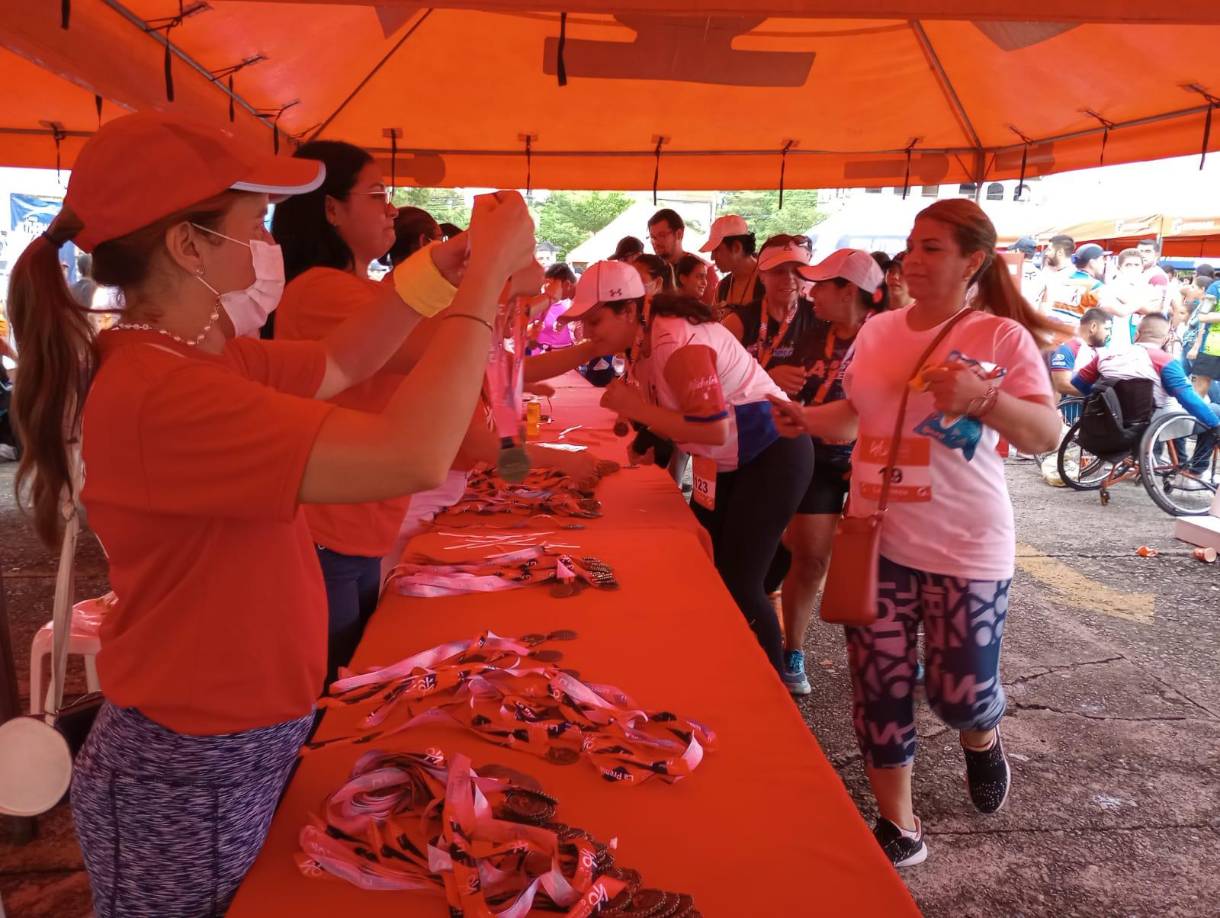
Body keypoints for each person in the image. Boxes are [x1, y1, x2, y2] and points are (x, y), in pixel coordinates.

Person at [6, 112, 536, 916]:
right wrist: (486, 280)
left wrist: (440, 266)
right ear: (188, 246)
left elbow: (343, 359)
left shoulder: (193, 359)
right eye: (250, 217)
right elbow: (415, 451)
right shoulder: (165, 393)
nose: (265, 233)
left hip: (226, 739)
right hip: (194, 761)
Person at [769, 198, 1061, 869]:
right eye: (911, 244)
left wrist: (984, 399)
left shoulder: (999, 338)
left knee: (958, 692)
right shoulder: (877, 332)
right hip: (877, 539)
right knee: (879, 688)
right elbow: (856, 417)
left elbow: (1046, 435)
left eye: (933, 247)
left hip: (968, 547)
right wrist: (805, 420)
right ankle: (899, 824)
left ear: (973, 261)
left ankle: (982, 735)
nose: (913, 257)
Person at [567, 261, 814, 675]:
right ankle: (724, 661)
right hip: (727, 462)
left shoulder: (674, 339)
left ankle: (772, 684)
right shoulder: (640, 336)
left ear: (628, 311)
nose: (590, 333)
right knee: (703, 559)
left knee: (739, 579)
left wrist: (635, 408)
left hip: (774, 453)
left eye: (595, 321)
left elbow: (713, 428)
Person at [774, 249, 888, 696]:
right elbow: (772, 385)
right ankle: (792, 649)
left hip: (877, 465)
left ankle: (889, 652)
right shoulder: (807, 333)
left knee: (876, 566)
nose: (812, 293)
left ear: (850, 291)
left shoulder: (888, 336)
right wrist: (773, 373)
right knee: (814, 558)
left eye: (822, 285)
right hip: (817, 461)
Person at [1072, 314, 1219, 472]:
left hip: (1110, 418)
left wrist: (1103, 402)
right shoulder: (1165, 361)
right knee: (1214, 411)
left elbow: (1079, 382)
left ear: (1137, 334)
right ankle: (1195, 473)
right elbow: (1189, 400)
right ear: (1165, 339)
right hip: (1151, 422)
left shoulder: (1106, 355)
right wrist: (1215, 425)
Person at [647, 208, 719, 307]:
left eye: (662, 235)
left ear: (679, 234)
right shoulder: (650, 269)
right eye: (653, 237)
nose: (656, 242)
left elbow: (709, 315)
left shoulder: (704, 270)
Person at [702, 214, 763, 313]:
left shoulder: (767, 281)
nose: (712, 257)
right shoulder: (722, 287)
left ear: (736, 247)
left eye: (716, 250)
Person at [1048, 307, 1110, 396]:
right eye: (1106, 328)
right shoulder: (1068, 347)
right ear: (1093, 326)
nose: (1108, 333)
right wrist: (1095, 396)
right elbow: (1061, 386)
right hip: (1070, 407)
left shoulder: (1098, 349)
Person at [533, 263, 579, 351]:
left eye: (550, 283)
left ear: (567, 284)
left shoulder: (583, 297)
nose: (547, 288)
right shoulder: (572, 301)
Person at [1037, 234, 1078, 324]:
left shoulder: (1074, 278)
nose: (1047, 253)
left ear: (1060, 252)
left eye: (1050, 250)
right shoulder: (1046, 272)